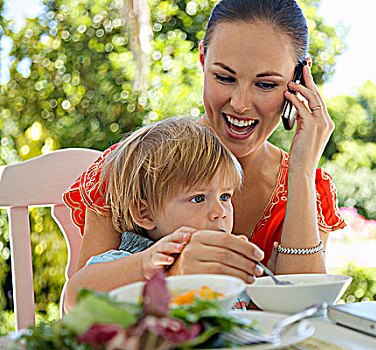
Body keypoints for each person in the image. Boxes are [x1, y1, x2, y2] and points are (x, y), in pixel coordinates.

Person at [63, 0, 346, 283]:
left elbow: (305, 313)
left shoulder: (309, 188)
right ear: (202, 59)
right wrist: (172, 270)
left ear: (299, 79)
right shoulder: (133, 167)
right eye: (224, 77)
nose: (240, 104)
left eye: (265, 84)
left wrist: (302, 171)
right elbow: (79, 308)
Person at [63, 117, 258, 310]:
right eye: (198, 198)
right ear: (144, 213)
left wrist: (256, 274)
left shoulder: (223, 265)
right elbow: (74, 297)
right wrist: (144, 265)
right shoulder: (126, 261)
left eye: (225, 196)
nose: (219, 212)